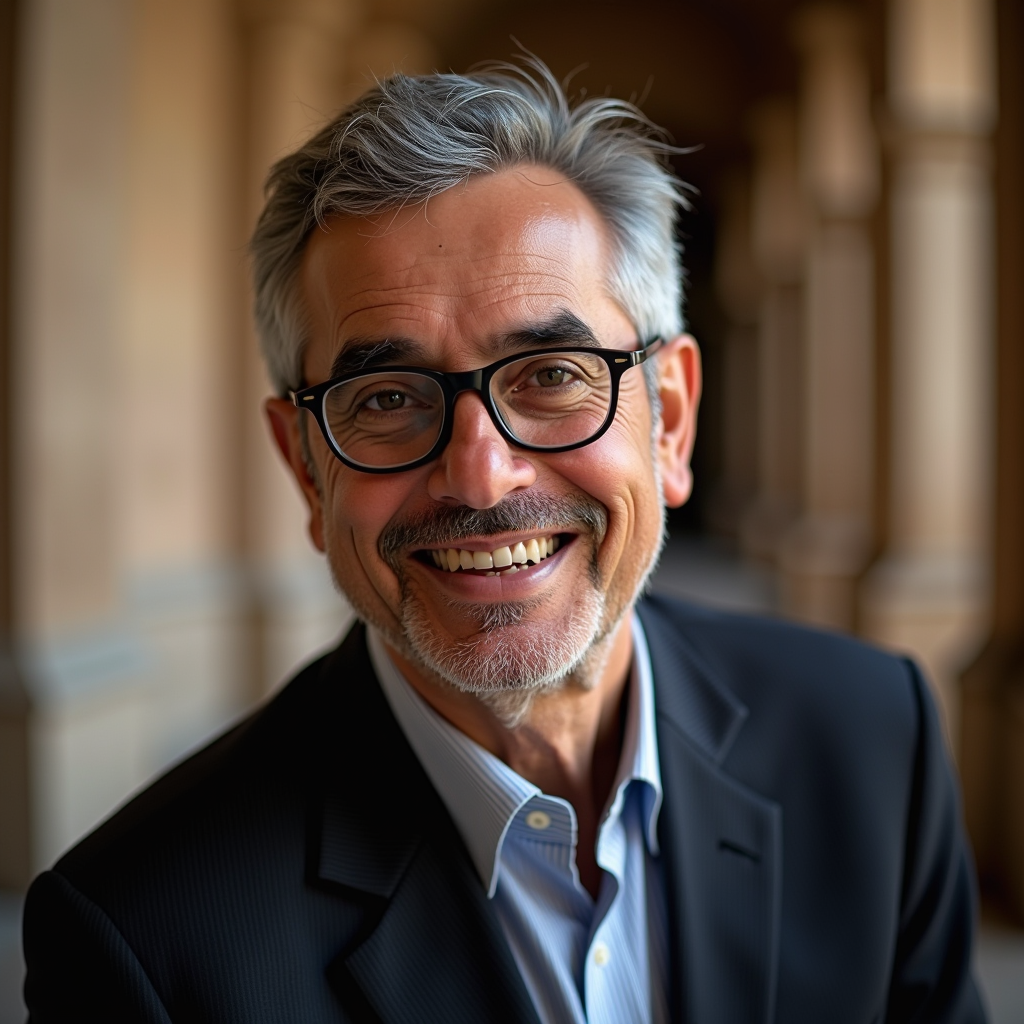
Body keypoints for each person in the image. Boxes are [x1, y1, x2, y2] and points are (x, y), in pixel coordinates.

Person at [22, 61, 985, 1023]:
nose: (481, 476)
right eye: (388, 400)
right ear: (305, 467)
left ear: (671, 423)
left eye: (552, 374)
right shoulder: (144, 940)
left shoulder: (870, 743)